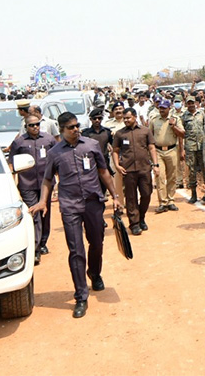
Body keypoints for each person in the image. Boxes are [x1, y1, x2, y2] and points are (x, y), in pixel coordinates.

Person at [30, 112, 123, 318]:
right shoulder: (55, 153)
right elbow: (47, 180)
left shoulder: (90, 145)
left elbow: (103, 172)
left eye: (77, 126)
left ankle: (94, 273)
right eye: (71, 127)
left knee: (97, 242)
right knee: (76, 250)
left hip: (93, 202)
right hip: (70, 205)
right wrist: (43, 201)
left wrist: (115, 196)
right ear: (62, 130)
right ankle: (81, 296)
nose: (75, 129)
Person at [8, 115, 57, 264]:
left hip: (46, 183)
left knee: (45, 214)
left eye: (37, 124)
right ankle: (35, 250)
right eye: (32, 125)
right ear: (26, 127)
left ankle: (43, 242)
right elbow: (11, 163)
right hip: (27, 183)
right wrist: (11, 182)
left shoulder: (48, 140)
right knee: (34, 214)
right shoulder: (19, 143)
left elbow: (57, 159)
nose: (35, 127)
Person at [112, 108, 158, 235]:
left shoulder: (145, 131)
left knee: (146, 194)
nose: (126, 120)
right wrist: (117, 165)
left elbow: (152, 148)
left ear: (135, 117)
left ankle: (141, 217)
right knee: (131, 197)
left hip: (144, 169)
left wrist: (156, 164)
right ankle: (134, 223)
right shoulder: (120, 134)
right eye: (124, 118)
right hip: (128, 170)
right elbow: (115, 151)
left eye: (128, 117)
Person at [150, 99, 184, 213]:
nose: (162, 110)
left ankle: (171, 200)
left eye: (164, 108)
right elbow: (149, 137)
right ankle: (162, 202)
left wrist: (173, 126)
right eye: (160, 108)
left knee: (172, 176)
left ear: (169, 109)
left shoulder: (176, 119)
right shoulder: (154, 120)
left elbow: (183, 134)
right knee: (159, 176)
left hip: (172, 150)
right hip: (158, 151)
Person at [80, 108, 114, 194]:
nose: (97, 120)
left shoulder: (107, 132)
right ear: (91, 119)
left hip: (104, 163)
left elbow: (114, 146)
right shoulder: (85, 133)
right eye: (94, 118)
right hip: (91, 165)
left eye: (99, 118)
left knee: (103, 188)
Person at [182, 97, 205, 204]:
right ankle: (193, 194)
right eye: (189, 103)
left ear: (195, 103)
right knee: (192, 170)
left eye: (192, 103)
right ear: (186, 104)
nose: (191, 105)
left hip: (202, 146)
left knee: (204, 168)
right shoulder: (184, 117)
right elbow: (182, 133)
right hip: (190, 146)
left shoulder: (201, 114)